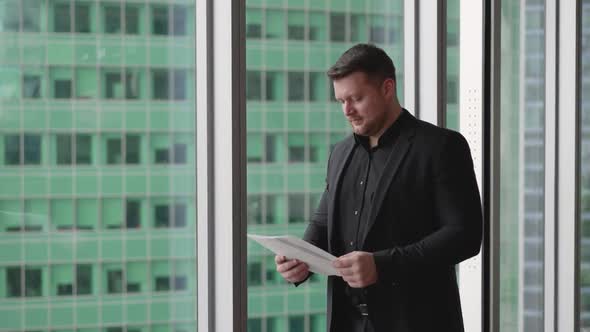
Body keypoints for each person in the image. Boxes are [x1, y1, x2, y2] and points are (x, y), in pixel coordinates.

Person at [275, 43, 483, 332]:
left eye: (357, 98)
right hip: (347, 323)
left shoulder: (441, 146)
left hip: (418, 322)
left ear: (387, 88)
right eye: (341, 101)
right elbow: (324, 224)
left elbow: (465, 235)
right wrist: (301, 259)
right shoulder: (339, 154)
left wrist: (382, 265)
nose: (347, 110)